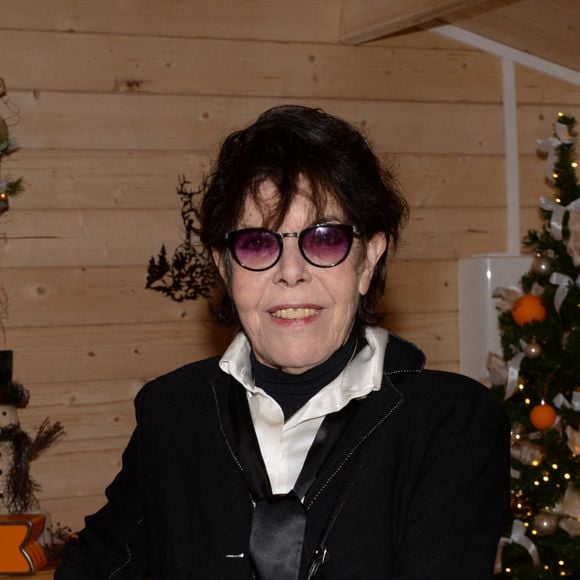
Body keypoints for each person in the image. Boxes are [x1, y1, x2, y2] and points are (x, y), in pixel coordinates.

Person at [55, 105, 510, 579]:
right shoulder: (171, 412)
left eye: (325, 239)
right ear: (223, 266)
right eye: (257, 244)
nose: (291, 272)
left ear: (368, 259)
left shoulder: (451, 424)